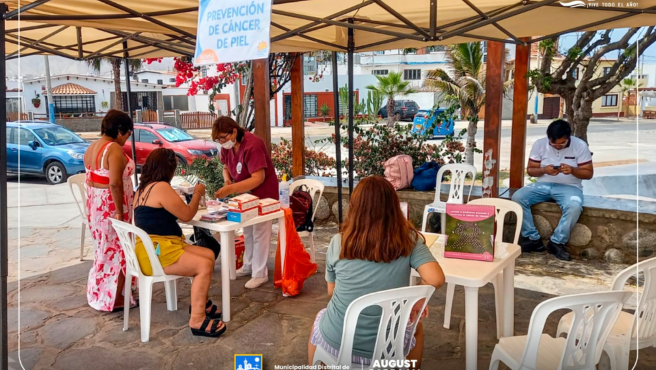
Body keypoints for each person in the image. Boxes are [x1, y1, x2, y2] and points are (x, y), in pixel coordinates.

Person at [307, 176, 445, 368]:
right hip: (389, 345)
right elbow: (436, 278)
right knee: (416, 328)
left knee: (320, 318)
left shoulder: (338, 242)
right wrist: (416, 298)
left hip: (338, 342)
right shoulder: (409, 240)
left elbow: (332, 293)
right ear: (393, 206)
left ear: (354, 207)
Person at [133, 148, 226, 337]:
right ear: (168, 169)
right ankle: (197, 320)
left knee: (208, 254)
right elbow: (186, 215)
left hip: (155, 248)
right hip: (158, 253)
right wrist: (198, 193)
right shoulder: (161, 187)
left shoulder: (143, 188)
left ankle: (201, 302)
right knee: (202, 266)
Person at [512, 119, 594, 261]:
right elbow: (531, 170)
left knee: (574, 206)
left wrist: (573, 170)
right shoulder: (540, 144)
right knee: (518, 197)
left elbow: (588, 173)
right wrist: (544, 170)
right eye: (553, 143)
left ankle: (557, 242)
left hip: (570, 187)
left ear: (568, 137)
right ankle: (532, 239)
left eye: (561, 143)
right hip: (543, 184)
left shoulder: (580, 146)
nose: (557, 146)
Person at [212, 117, 279, 289]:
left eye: (223, 138)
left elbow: (259, 177)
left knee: (260, 233)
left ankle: (260, 272)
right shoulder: (228, 146)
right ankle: (248, 265)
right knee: (247, 230)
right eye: (218, 140)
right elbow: (226, 166)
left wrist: (231, 189)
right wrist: (227, 180)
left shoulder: (252, 144)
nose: (221, 142)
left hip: (265, 194)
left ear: (234, 131)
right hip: (246, 194)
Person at [84, 109, 135, 312]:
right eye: (127, 134)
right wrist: (121, 213)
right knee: (119, 250)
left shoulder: (92, 147)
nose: (127, 139)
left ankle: (100, 293)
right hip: (111, 207)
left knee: (103, 250)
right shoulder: (113, 148)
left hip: (96, 206)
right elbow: (114, 183)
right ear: (120, 130)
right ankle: (114, 298)